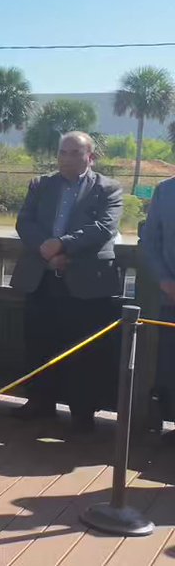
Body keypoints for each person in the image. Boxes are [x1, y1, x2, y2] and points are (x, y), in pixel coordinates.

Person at [11, 131, 123, 432]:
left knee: (85, 351)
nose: (67, 158)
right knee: (38, 344)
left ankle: (83, 413)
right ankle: (40, 402)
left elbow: (103, 227)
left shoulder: (108, 188)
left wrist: (62, 244)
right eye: (63, 152)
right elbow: (26, 222)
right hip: (42, 280)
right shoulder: (40, 185)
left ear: (91, 157)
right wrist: (47, 252)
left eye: (75, 152)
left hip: (87, 284)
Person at [141, 176, 175, 426]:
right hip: (171, 296)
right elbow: (150, 242)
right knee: (171, 367)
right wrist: (164, 279)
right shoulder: (165, 191)